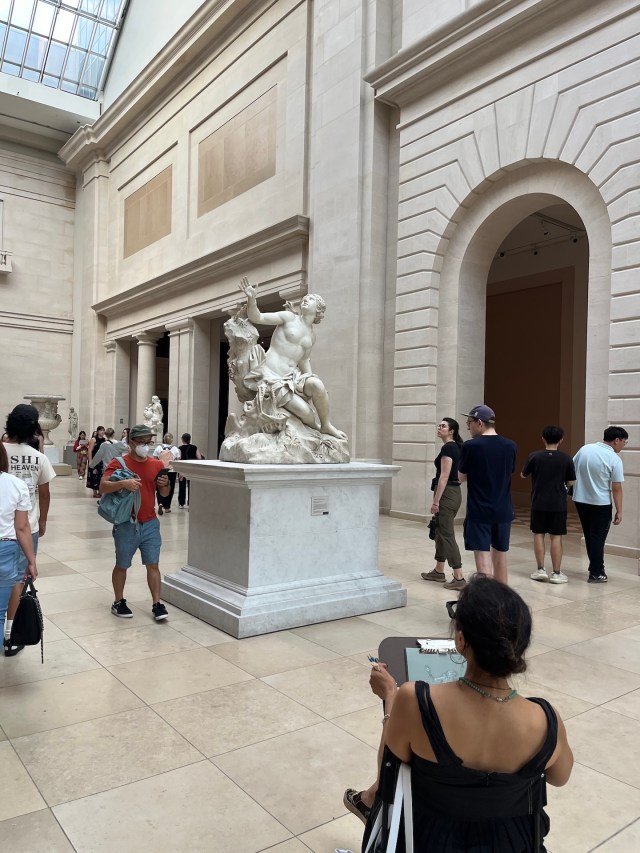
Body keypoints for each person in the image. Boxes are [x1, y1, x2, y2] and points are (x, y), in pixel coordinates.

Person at [344, 576, 573, 851]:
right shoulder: (546, 721)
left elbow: (389, 773)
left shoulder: (415, 700)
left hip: (428, 841)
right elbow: (560, 777)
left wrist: (390, 698)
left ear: (461, 640)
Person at [239, 277, 347, 440]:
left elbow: (303, 361)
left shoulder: (311, 336)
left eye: (309, 299)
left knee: (317, 385)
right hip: (272, 376)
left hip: (292, 378)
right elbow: (258, 318)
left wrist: (309, 380)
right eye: (304, 299)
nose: (305, 300)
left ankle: (326, 425)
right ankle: (315, 429)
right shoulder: (288, 317)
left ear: (318, 309)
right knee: (306, 413)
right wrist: (252, 299)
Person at [101, 424, 170, 621]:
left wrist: (165, 486)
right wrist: (123, 483)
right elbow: (103, 486)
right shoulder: (119, 462)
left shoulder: (157, 465)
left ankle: (157, 603)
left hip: (150, 523)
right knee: (122, 564)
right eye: (141, 442)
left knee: (153, 565)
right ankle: (118, 600)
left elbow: (163, 494)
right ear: (131, 443)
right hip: (126, 524)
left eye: (148, 442)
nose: (145, 446)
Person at [2, 405, 52, 655]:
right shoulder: (39, 457)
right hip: (26, 528)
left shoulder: (1, 450)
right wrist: (42, 520)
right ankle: (10, 635)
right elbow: (44, 493)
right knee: (18, 583)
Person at [458, 405, 517, 584]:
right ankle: (503, 602)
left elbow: (461, 476)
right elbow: (509, 471)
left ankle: (488, 605)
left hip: (480, 510)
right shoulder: (511, 445)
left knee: (483, 562)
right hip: (504, 510)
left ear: (480, 423)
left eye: (469, 423)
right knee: (500, 558)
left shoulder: (470, 446)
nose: (468, 427)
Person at [572, 426, 628, 583]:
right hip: (600, 503)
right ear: (616, 440)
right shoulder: (614, 459)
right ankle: (596, 572)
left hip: (580, 500)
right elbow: (616, 488)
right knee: (598, 538)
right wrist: (619, 511)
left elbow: (571, 468)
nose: (624, 445)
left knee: (590, 536)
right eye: (624, 441)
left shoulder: (585, 449)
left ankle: (596, 568)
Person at [522, 426, 576, 584]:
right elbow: (571, 481)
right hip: (558, 503)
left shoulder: (534, 456)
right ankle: (557, 573)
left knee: (538, 534)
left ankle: (540, 570)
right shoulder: (566, 459)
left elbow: (523, 475)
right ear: (561, 440)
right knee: (556, 537)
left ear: (543, 438)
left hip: (538, 501)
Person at [0, 442, 38, 657]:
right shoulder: (16, 484)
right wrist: (31, 561)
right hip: (5, 547)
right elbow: (22, 527)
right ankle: (8, 637)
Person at [421, 418, 465, 590]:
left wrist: (436, 501)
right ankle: (439, 571)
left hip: (447, 494)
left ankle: (459, 576)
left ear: (452, 430)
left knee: (446, 533)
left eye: (443, 426)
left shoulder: (448, 447)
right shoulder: (459, 447)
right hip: (455, 492)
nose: (439, 428)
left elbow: (444, 476)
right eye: (438, 425)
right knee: (439, 530)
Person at [153, 432, 180, 514]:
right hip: (171, 471)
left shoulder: (159, 447)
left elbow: (155, 459)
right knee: (170, 488)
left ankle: (160, 503)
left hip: (161, 470)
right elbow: (178, 460)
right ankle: (167, 507)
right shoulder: (175, 448)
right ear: (171, 440)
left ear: (164, 439)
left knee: (159, 486)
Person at [177, 433, 204, 509]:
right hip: (192, 469)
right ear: (189, 439)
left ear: (182, 439)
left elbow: (179, 459)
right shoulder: (194, 447)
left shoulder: (180, 448)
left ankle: (181, 503)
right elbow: (199, 458)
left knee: (182, 486)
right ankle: (191, 503)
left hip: (182, 469)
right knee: (191, 486)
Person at [86, 426, 106, 497]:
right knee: (93, 475)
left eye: (103, 430)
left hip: (101, 460)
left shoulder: (104, 440)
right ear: (97, 432)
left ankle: (100, 491)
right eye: (101, 430)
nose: (102, 432)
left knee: (101, 475)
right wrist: (90, 461)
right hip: (94, 459)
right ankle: (94, 492)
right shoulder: (93, 440)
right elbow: (90, 451)